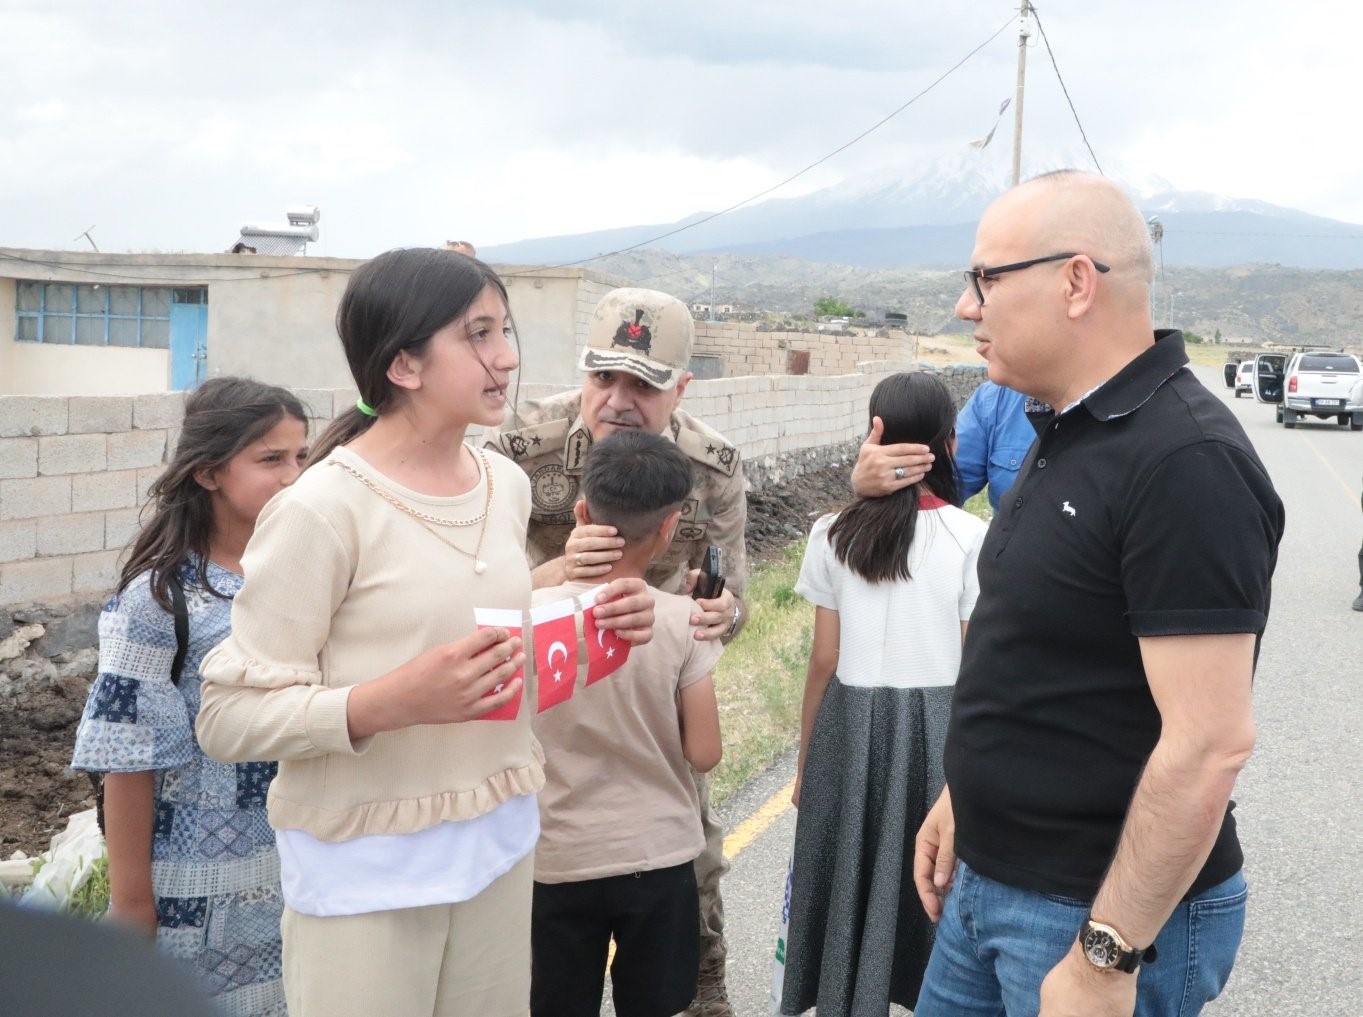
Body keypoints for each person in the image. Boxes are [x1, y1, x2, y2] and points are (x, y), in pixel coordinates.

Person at [195, 248, 654, 1017]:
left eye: (503, 330)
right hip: (367, 877)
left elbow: (483, 656)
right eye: (477, 335)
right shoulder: (322, 508)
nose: (505, 355)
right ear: (403, 364)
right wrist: (384, 701)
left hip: (497, 852)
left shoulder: (502, 484)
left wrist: (591, 622)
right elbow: (225, 714)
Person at [911, 171, 1284, 1017]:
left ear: (1076, 281)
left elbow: (1209, 744)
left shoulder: (1184, 463)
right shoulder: (1066, 426)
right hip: (990, 883)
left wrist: (1106, 955)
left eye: (985, 278)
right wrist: (964, 795)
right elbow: (1041, 653)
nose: (968, 307)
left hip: (1089, 915)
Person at [483, 286, 745, 1016]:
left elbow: (733, 599)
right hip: (534, 718)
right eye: (603, 377)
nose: (618, 400)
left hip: (652, 712)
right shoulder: (515, 449)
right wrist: (554, 576)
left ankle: (706, 988)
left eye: (643, 384)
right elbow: (468, 590)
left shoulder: (712, 467)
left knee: (688, 874)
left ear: (681, 389)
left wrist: (713, 612)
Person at [70, 376, 309, 1017]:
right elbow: (126, 759)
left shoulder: (309, 577)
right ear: (208, 473)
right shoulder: (158, 600)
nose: (293, 476)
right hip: (195, 887)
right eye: (270, 460)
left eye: (300, 457)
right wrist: (131, 903)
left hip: (300, 868)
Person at [781, 371, 986, 1017]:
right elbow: (976, 666)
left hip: (850, 725)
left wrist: (805, 760)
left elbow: (823, 660)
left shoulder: (829, 533)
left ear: (873, 434)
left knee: (849, 882)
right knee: (934, 887)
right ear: (948, 443)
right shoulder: (969, 536)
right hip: (939, 731)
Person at [530, 430, 723, 1017]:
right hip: (658, 858)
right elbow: (705, 753)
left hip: (554, 860)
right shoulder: (685, 621)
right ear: (670, 528)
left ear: (582, 513)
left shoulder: (530, 614)